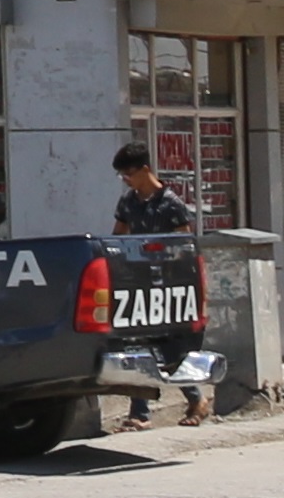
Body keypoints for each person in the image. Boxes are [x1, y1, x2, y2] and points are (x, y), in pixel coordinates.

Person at [106, 148, 206, 430]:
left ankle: (196, 398)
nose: (126, 180)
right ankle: (139, 412)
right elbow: (118, 238)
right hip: (138, 285)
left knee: (171, 349)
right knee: (135, 345)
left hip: (168, 287)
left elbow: (184, 246)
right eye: (122, 175)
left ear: (145, 170)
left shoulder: (171, 204)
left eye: (129, 174)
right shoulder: (128, 202)